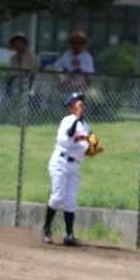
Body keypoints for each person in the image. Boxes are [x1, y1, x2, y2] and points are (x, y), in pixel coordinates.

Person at [42, 92, 93, 246]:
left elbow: (86, 147)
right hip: (60, 162)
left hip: (74, 164)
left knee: (71, 200)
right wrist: (76, 118)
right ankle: (46, 229)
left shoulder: (86, 127)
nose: (81, 106)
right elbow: (69, 136)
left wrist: (92, 148)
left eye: (82, 103)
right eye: (77, 104)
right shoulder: (67, 121)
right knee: (58, 196)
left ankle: (69, 235)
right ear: (70, 108)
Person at [6, 32, 44, 104]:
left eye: (20, 43)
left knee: (23, 83)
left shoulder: (30, 55)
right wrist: (16, 75)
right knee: (9, 81)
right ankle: (9, 100)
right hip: (16, 77)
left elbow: (31, 69)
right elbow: (11, 70)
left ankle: (25, 101)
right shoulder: (13, 58)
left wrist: (21, 75)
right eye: (16, 43)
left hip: (32, 77)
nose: (18, 45)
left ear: (24, 44)